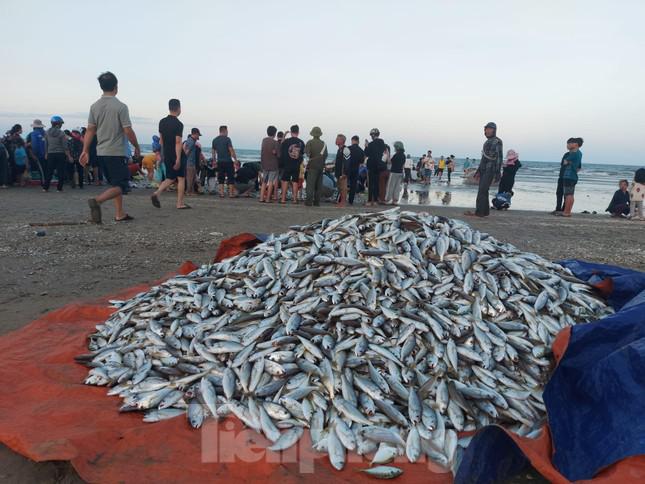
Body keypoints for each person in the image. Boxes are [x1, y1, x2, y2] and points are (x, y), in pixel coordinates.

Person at [80, 72, 141, 223]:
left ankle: (119, 214)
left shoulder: (94, 107)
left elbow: (90, 130)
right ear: (116, 86)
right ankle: (97, 200)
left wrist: (85, 150)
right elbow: (128, 130)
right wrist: (137, 146)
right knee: (122, 185)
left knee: (115, 183)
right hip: (117, 152)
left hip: (101, 152)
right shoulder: (120, 107)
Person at [150, 98, 189, 210]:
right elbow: (178, 142)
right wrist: (178, 158)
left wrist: (161, 155)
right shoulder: (178, 124)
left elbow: (161, 141)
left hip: (166, 153)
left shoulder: (162, 122)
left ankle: (157, 193)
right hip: (176, 154)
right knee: (181, 178)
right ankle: (180, 203)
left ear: (169, 107)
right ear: (178, 108)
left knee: (170, 177)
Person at [465, 122, 503, 218]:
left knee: (482, 190)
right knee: (483, 190)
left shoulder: (497, 141)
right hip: (484, 169)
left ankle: (479, 213)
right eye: (486, 129)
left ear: (494, 130)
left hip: (491, 169)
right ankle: (484, 212)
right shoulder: (487, 142)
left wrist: (498, 172)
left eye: (490, 129)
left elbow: (499, 157)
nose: (487, 131)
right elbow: (484, 158)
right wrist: (478, 171)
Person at [43, 116, 72, 192]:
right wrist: (69, 156)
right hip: (60, 154)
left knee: (49, 171)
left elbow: (46, 144)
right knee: (60, 171)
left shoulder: (46, 132)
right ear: (58, 124)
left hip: (50, 154)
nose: (62, 125)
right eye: (61, 123)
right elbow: (65, 146)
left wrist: (46, 153)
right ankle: (59, 188)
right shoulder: (62, 133)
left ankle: (45, 188)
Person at [558, 137, 583, 217]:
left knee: (568, 195)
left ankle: (566, 212)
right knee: (571, 194)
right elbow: (578, 167)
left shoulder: (574, 153)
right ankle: (568, 211)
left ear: (575, 144)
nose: (568, 145)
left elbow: (565, 162)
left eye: (570, 144)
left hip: (569, 176)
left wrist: (568, 161)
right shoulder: (579, 153)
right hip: (573, 176)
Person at [280, 125, 305, 204]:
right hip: (296, 164)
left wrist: (284, 135)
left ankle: (283, 199)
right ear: (298, 132)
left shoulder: (287, 141)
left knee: (285, 181)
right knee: (295, 182)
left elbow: (281, 145)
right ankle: (294, 199)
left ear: (291, 132)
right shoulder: (301, 142)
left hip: (287, 164)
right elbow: (302, 153)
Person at [304, 127, 328, 206]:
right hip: (321, 167)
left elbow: (307, 154)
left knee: (310, 185)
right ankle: (317, 202)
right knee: (319, 186)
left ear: (313, 134)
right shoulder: (324, 144)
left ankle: (309, 201)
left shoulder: (310, 142)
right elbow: (325, 155)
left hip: (312, 166)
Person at [212, 125, 238, 198]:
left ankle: (222, 193)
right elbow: (231, 150)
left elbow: (213, 151)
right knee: (230, 177)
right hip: (228, 161)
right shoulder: (227, 139)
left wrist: (214, 160)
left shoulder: (215, 140)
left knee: (221, 177)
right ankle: (230, 194)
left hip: (219, 161)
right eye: (227, 131)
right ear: (225, 131)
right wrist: (235, 160)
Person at [364, 128, 386, 206]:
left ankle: (370, 200)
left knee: (370, 183)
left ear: (373, 135)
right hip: (379, 165)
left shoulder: (371, 144)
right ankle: (376, 200)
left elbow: (367, 153)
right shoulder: (382, 142)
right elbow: (383, 151)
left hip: (372, 165)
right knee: (376, 183)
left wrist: (366, 146)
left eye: (371, 135)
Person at [260, 125, 279, 203]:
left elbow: (262, 151)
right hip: (273, 164)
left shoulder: (264, 140)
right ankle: (268, 198)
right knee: (271, 181)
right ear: (274, 133)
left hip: (265, 163)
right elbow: (278, 155)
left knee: (264, 181)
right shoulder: (275, 142)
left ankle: (261, 198)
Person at [184, 128, 201, 196]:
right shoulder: (191, 141)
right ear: (195, 134)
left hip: (191, 162)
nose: (198, 137)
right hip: (190, 163)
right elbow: (186, 152)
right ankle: (188, 192)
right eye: (198, 135)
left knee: (193, 178)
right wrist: (184, 161)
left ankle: (191, 191)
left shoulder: (190, 141)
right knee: (190, 178)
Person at [347, 135, 364, 205]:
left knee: (344, 184)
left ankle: (341, 199)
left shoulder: (348, 148)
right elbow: (362, 161)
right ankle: (350, 201)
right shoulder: (361, 150)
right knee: (353, 186)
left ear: (352, 140)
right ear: (358, 141)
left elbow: (345, 159)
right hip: (356, 169)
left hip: (348, 168)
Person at [334, 134, 350, 207]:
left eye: (337, 139)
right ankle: (341, 201)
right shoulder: (339, 150)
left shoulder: (345, 149)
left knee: (343, 188)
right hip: (338, 172)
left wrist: (345, 173)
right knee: (340, 187)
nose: (336, 140)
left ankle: (343, 202)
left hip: (343, 173)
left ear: (342, 141)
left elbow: (347, 162)